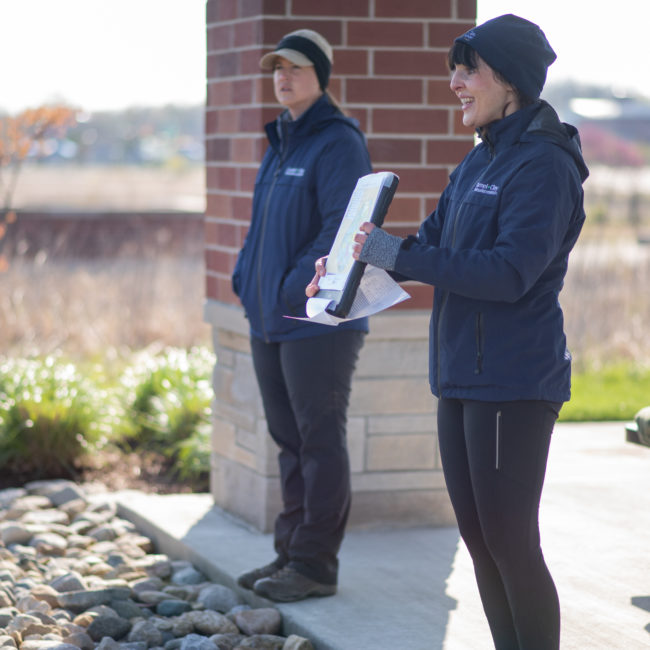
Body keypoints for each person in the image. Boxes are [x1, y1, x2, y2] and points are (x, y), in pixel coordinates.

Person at [308, 14, 588, 649]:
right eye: (455, 70)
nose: (456, 83)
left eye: (470, 70)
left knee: (512, 541)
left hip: (513, 380)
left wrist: (393, 252)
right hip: (461, 373)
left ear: (511, 80)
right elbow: (427, 248)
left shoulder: (543, 166)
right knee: (481, 540)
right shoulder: (478, 160)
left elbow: (510, 273)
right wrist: (347, 277)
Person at [231, 29, 372, 602]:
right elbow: (261, 227)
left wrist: (292, 290)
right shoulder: (282, 140)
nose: (281, 77)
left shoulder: (337, 142)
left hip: (315, 321)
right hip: (270, 317)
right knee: (288, 440)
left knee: (318, 441)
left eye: (294, 67)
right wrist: (246, 279)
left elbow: (341, 228)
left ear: (320, 76)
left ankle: (316, 565)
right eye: (276, 69)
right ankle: (290, 553)